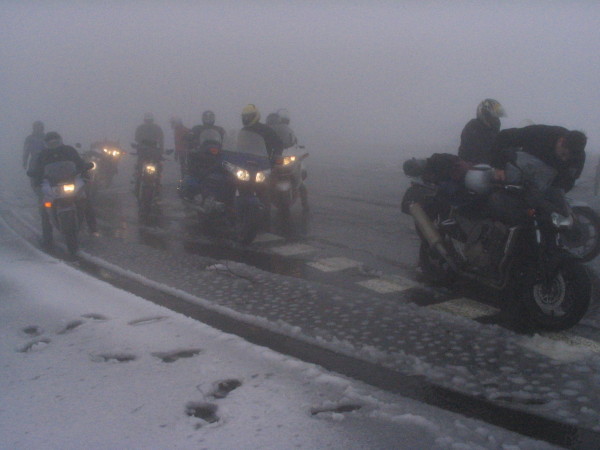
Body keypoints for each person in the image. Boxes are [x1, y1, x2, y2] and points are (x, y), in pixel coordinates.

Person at [27, 132, 97, 246]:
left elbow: (79, 162)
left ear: (60, 140)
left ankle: (93, 227)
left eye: (55, 141)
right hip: (52, 185)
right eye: (50, 142)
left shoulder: (69, 150)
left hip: (71, 181)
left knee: (85, 199)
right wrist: (36, 177)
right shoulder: (43, 154)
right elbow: (38, 170)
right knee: (44, 207)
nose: (53, 144)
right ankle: (47, 237)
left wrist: (85, 168)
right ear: (46, 143)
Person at [490, 124, 587, 193]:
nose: (564, 160)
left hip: (543, 187)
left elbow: (568, 181)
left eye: (568, 158)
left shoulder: (578, 157)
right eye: (563, 154)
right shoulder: (541, 134)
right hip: (516, 174)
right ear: (561, 141)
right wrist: (499, 166)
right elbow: (504, 136)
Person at [458, 99, 506, 164]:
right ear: (485, 115)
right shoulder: (474, 127)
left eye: (497, 118)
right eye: (494, 118)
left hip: (487, 167)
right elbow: (484, 150)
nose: (496, 120)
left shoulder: (491, 130)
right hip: (474, 168)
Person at [23, 121, 47, 191]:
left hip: (46, 160)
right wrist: (25, 161)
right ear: (33, 128)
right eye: (36, 127)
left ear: (42, 128)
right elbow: (26, 151)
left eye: (40, 127)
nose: (38, 129)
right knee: (33, 178)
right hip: (34, 161)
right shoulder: (29, 138)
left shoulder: (46, 137)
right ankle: (38, 193)